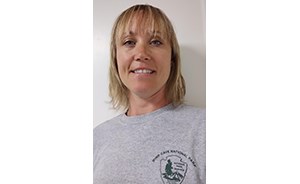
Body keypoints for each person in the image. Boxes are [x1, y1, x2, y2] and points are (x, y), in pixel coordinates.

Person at [94, 4, 205, 184]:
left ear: (172, 58)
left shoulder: (204, 129)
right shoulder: (96, 139)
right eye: (129, 42)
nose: (141, 54)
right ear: (116, 58)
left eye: (155, 42)